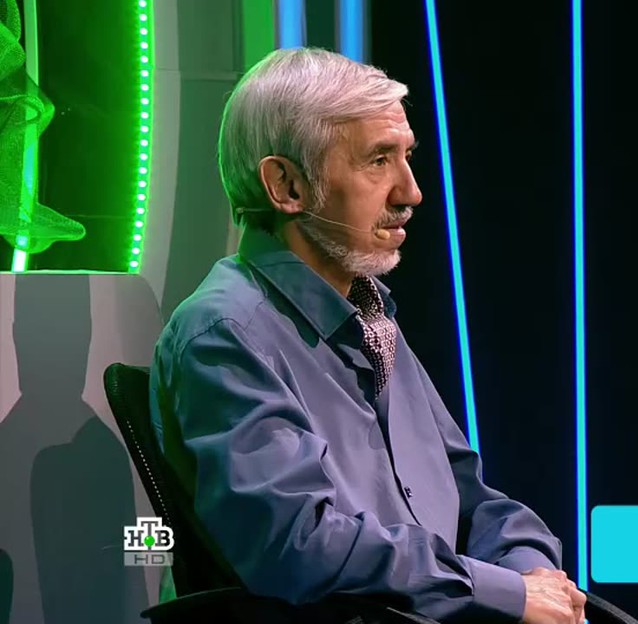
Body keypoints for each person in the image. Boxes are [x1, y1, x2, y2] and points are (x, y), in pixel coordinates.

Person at [149, 48, 585, 624]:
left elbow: (473, 500)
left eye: (407, 157)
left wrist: (533, 575)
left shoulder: (373, 319)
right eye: (379, 160)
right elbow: (298, 544)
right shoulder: (225, 334)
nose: (411, 192)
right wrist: (503, 594)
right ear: (286, 185)